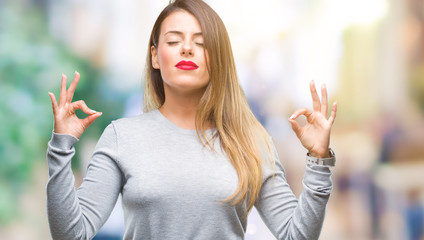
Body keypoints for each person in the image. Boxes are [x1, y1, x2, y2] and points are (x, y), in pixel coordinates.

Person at [46, 0, 338, 239]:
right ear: (155, 57)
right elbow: (71, 233)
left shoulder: (250, 140)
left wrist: (318, 159)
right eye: (174, 40)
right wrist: (61, 147)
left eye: (201, 42)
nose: (186, 48)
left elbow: (296, 235)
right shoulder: (121, 137)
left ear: (218, 58)